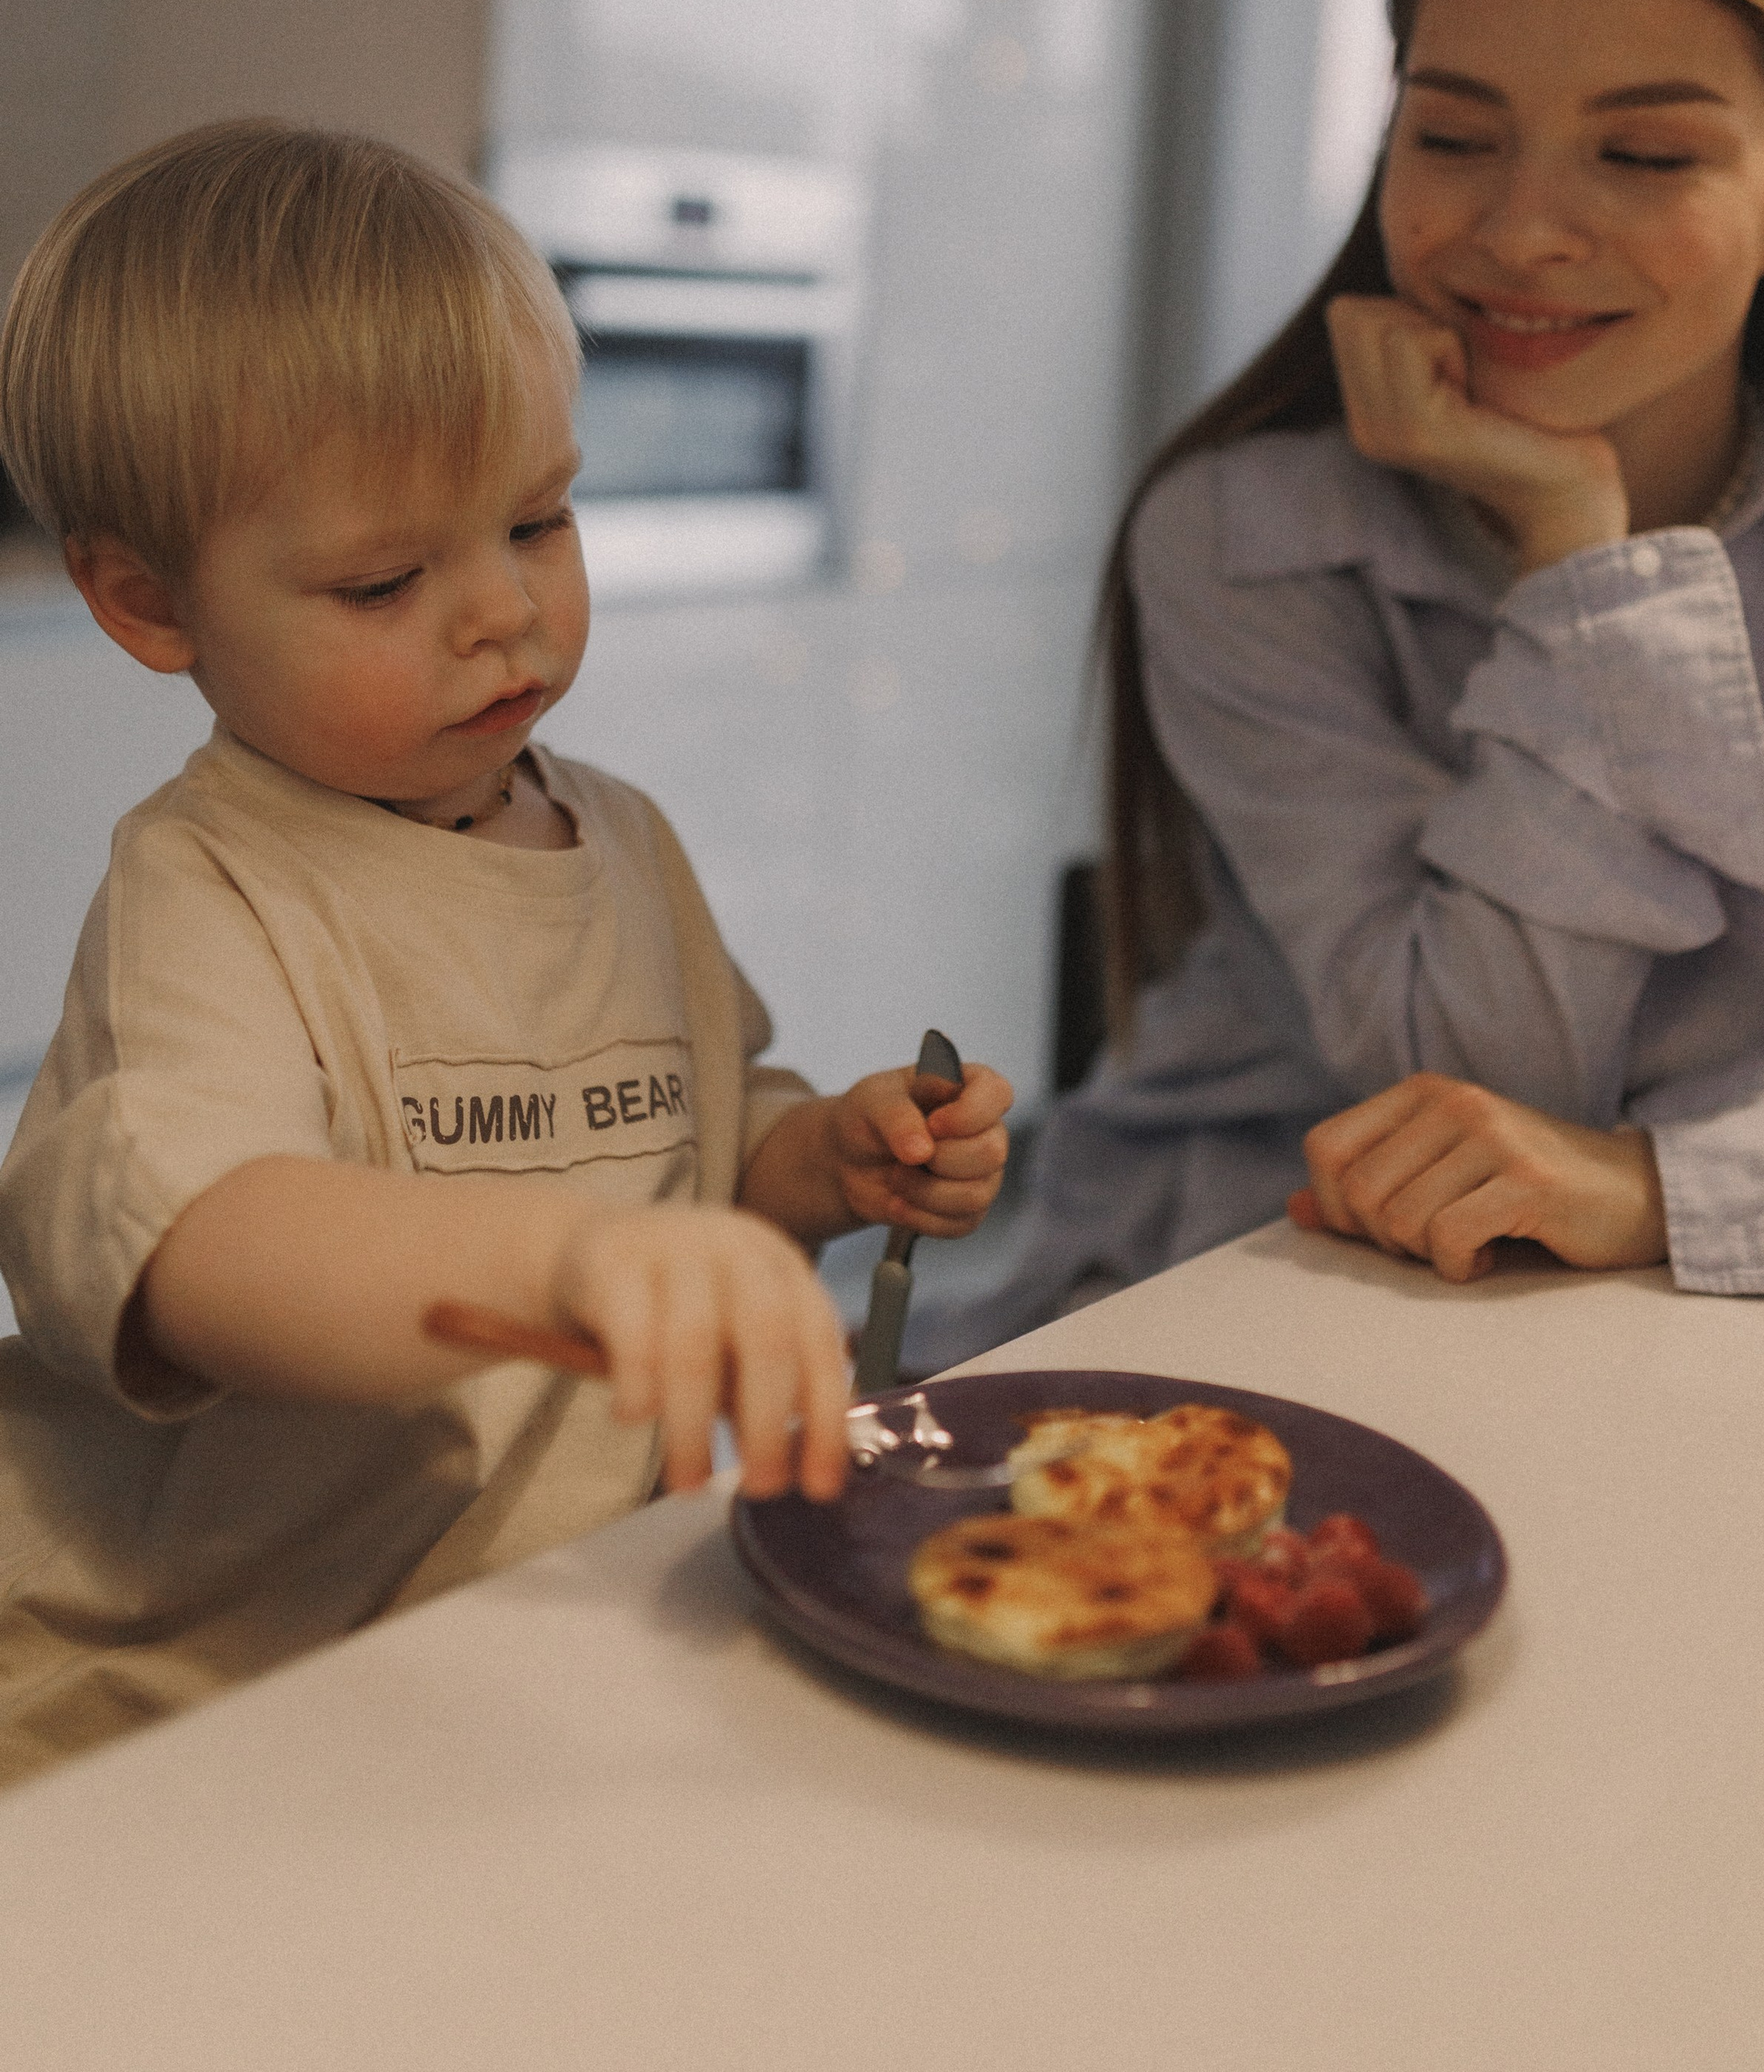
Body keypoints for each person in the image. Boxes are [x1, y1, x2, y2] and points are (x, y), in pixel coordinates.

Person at [921, 0, 1764, 1366]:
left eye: (1640, 154)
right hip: (1238, 1306)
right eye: (1449, 137)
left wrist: (1665, 1181)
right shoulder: (1246, 536)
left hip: (1761, 1350)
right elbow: (1480, 1081)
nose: (1519, 231)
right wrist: (1585, 563)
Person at [0, 123, 1012, 1783]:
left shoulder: (619, 840)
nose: (501, 612)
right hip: (218, 1705)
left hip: (552, 1651)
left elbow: (678, 1153)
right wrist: (556, 1265)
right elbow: (204, 1248)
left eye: (537, 523)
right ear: (149, 607)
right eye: (388, 577)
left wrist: (815, 1158)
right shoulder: (210, 890)